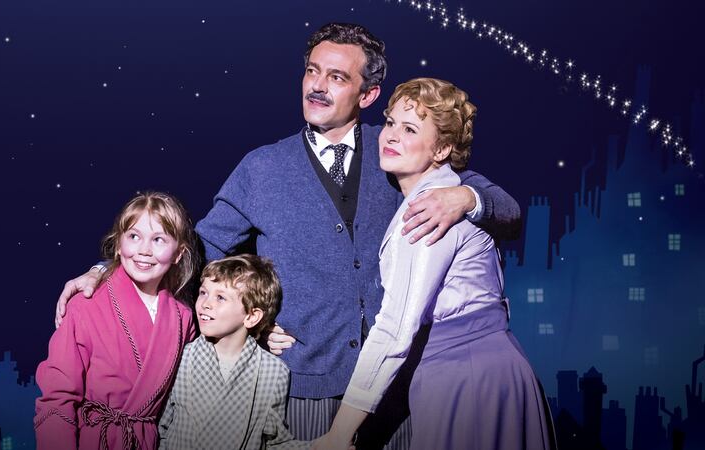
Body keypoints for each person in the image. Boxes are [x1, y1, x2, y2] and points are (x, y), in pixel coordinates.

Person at [55, 23, 522, 448]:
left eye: (338, 77)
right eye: (312, 71)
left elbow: (503, 207)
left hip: (399, 390)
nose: (318, 85)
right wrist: (109, 269)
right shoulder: (262, 169)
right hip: (306, 389)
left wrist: (467, 200)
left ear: (368, 94)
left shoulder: (398, 148)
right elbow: (193, 250)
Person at [313, 78, 555, 450]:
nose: (390, 135)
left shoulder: (429, 210)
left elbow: (396, 329)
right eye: (390, 122)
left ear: (441, 148)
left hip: (466, 378)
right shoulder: (430, 192)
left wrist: (340, 431)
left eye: (409, 129)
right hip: (480, 370)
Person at [34, 192, 199, 450]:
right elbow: (57, 400)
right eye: (134, 236)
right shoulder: (83, 306)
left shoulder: (183, 318)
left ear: (179, 253)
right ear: (119, 244)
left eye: (159, 240)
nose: (144, 250)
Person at [158, 255, 309, 450]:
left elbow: (274, 442)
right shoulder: (182, 357)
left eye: (220, 297)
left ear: (252, 316)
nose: (205, 303)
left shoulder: (273, 372)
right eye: (203, 292)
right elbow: (161, 429)